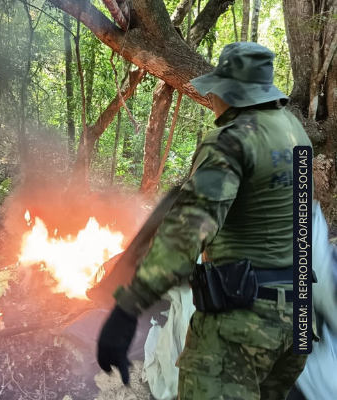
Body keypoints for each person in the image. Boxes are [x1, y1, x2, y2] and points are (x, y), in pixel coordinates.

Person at [95, 42, 316, 399]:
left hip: (243, 325)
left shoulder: (233, 139)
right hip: (300, 318)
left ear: (231, 91)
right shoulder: (295, 134)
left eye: (217, 90)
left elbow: (187, 232)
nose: (212, 98)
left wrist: (126, 309)